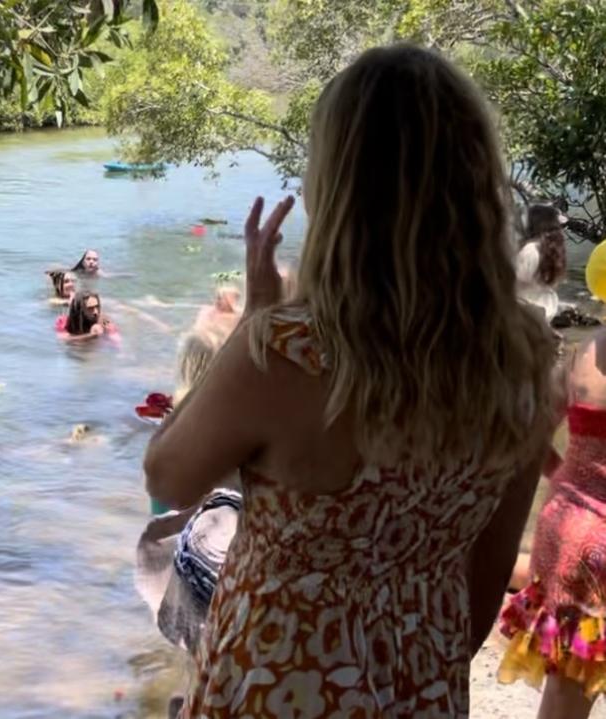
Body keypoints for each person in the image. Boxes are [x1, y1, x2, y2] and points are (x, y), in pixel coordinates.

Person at [145, 44, 558, 717]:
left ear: (334, 188)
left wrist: (253, 320)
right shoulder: (528, 362)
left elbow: (167, 480)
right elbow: (482, 593)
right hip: (417, 689)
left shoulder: (285, 351)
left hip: (271, 688)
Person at [498, 329, 606, 719]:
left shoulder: (582, 354)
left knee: (567, 690)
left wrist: (568, 477)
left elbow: (530, 432)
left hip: (568, 529)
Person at [515, 203, 569, 322]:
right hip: (548, 306)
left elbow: (515, 280)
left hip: (527, 309)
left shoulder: (530, 250)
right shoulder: (555, 249)